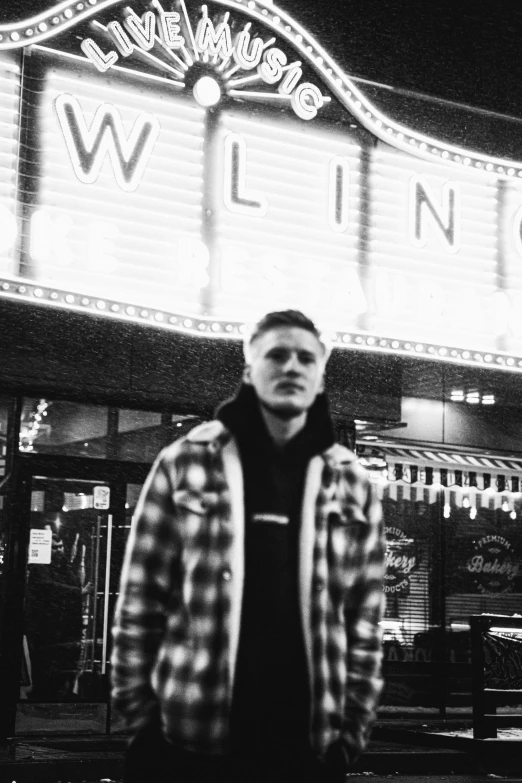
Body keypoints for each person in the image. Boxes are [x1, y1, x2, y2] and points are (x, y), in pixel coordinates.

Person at [111, 309, 386, 783]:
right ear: (248, 371)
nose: (291, 366)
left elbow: (364, 621)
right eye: (276, 354)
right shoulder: (186, 462)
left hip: (308, 748)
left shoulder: (352, 481)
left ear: (320, 378)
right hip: (191, 742)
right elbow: (140, 603)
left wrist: (351, 734)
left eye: (306, 357)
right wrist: (143, 728)